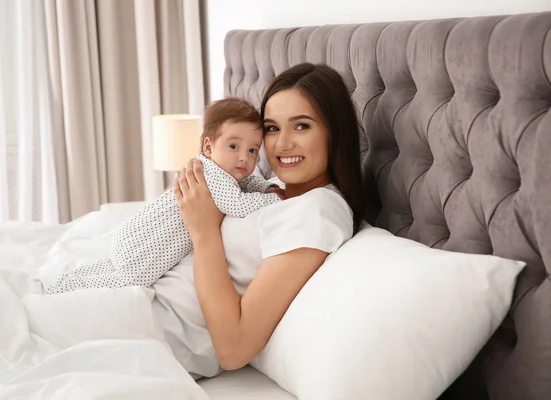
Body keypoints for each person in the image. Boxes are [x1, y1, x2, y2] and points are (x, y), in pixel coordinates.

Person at [169, 62, 365, 374]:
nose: (281, 144)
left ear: (334, 131)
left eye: (301, 126)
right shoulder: (277, 188)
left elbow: (234, 348)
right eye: (272, 128)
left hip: (166, 332)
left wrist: (204, 231)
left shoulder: (317, 211)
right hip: (147, 300)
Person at [44, 98, 283, 295]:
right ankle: (65, 289)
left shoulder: (225, 170)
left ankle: (70, 278)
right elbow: (237, 204)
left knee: (111, 269)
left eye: (253, 150)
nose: (244, 157)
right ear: (208, 148)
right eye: (234, 146)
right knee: (129, 281)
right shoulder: (212, 174)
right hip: (145, 241)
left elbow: (251, 182)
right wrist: (276, 198)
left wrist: (266, 187)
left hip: (130, 233)